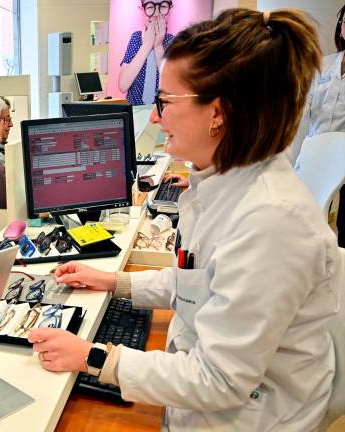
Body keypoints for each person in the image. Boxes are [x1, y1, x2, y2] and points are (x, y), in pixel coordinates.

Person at [29, 9, 340, 430]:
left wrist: (92, 356)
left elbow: (220, 379)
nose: (155, 117)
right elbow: (196, 280)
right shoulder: (222, 183)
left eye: (164, 102)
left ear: (219, 113)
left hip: (246, 416)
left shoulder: (271, 221)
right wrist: (113, 282)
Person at [298, 3, 345, 246]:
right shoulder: (324, 64)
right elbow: (303, 106)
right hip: (314, 153)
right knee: (308, 219)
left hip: (343, 157)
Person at [119, 0, 175, 105]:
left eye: (163, 6)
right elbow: (123, 85)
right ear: (142, 11)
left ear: (170, 10)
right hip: (134, 111)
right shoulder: (136, 38)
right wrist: (146, 46)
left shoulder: (173, 42)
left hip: (162, 111)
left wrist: (158, 46)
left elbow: (174, 86)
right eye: (150, 7)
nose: (156, 13)